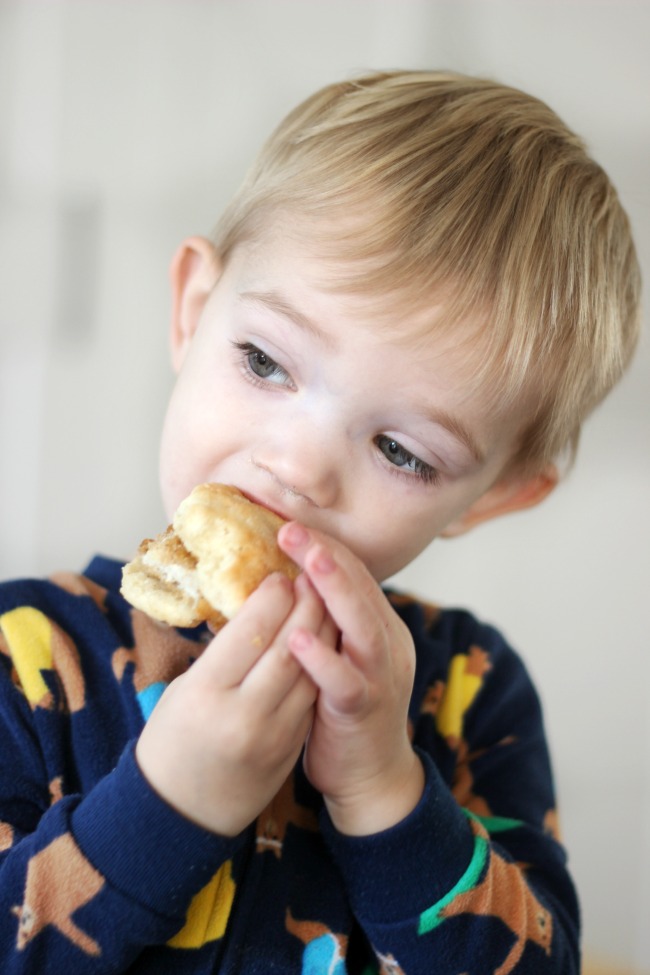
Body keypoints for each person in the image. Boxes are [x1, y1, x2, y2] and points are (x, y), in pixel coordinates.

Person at [0, 70, 640, 974]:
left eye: (403, 451)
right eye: (264, 360)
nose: (297, 465)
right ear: (191, 312)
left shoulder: (465, 689)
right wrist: (166, 801)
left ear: (492, 496)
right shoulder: (26, 653)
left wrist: (386, 790)